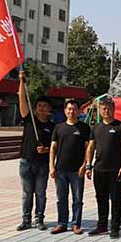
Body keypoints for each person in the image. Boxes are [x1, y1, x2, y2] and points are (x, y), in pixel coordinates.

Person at [85, 97, 121, 239]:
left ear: (114, 109)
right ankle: (102, 225)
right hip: (99, 169)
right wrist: (88, 165)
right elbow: (91, 147)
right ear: (100, 110)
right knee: (101, 198)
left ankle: (115, 227)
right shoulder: (96, 128)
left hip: (115, 170)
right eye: (104, 109)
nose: (106, 111)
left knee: (116, 200)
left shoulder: (120, 127)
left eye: (109, 108)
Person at [16, 70, 54, 231]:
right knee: (27, 193)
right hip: (26, 161)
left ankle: (39, 219)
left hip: (42, 164)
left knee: (40, 192)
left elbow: (55, 147)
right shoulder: (29, 119)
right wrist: (21, 81)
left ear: (49, 109)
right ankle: (26, 220)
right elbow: (22, 100)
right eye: (39, 105)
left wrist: (46, 150)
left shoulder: (52, 127)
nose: (41, 108)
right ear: (36, 108)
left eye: (45, 106)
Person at [49, 100, 91, 235]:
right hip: (60, 169)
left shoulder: (84, 128)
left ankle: (75, 224)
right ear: (65, 111)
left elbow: (88, 149)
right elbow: (53, 148)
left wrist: (85, 165)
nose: (71, 112)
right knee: (61, 198)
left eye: (74, 109)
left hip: (77, 170)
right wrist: (51, 166)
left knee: (77, 199)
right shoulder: (58, 127)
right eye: (69, 109)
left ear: (78, 111)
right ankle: (62, 223)